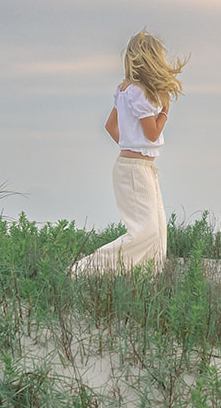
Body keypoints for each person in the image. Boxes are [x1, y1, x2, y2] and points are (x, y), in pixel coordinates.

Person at [71, 30, 186, 274]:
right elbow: (153, 133)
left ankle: (144, 279)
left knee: (157, 230)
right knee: (145, 232)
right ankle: (85, 269)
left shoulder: (125, 90)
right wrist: (165, 111)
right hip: (135, 171)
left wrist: (130, 147)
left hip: (137, 168)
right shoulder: (139, 93)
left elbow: (110, 127)